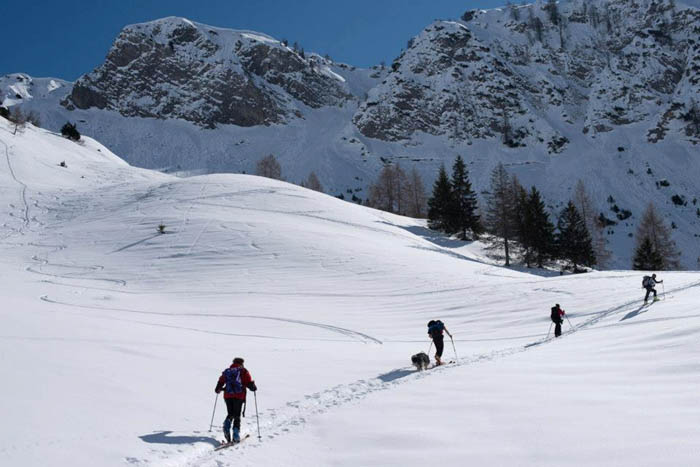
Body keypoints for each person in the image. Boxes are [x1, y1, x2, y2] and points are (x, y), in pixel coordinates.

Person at [215, 357, 257, 443]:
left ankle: (227, 424)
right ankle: (236, 434)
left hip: (227, 395)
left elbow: (221, 381)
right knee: (237, 415)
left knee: (230, 413)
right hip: (239, 396)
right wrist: (253, 387)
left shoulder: (228, 371)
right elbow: (249, 383)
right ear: (242, 363)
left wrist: (218, 388)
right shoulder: (244, 371)